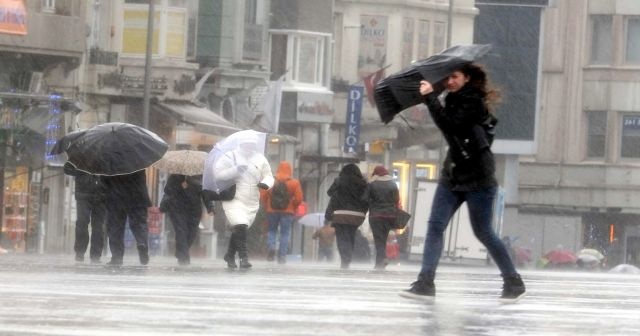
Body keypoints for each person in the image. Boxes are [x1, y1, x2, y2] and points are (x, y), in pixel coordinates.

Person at [400, 63, 526, 303]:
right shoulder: (452, 99)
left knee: (484, 233)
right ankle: (425, 282)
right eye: (447, 78)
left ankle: (513, 281)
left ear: (467, 78)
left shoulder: (473, 102)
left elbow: (451, 127)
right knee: (435, 225)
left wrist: (430, 99)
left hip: (478, 178)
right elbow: (450, 130)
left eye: (455, 77)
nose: (450, 82)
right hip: (453, 174)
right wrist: (432, 99)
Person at [214, 134, 274, 269]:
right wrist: (235, 170)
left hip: (252, 201)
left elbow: (269, 175)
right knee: (240, 225)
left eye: (251, 144)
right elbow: (218, 174)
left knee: (241, 229)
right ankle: (243, 257)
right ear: (240, 144)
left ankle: (229, 255)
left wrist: (265, 184)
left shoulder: (260, 158)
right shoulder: (230, 156)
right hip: (234, 199)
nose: (249, 147)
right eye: (246, 144)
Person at [160, 174, 214, 266]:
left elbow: (206, 193)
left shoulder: (201, 178)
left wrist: (210, 207)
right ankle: (184, 258)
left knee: (191, 234)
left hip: (194, 211)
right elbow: (168, 191)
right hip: (177, 209)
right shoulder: (174, 176)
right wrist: (180, 186)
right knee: (181, 232)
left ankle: (180, 252)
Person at [102, 170, 152, 266]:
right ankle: (142, 243)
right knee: (139, 224)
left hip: (116, 197)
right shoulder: (138, 159)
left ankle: (117, 257)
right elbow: (142, 179)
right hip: (137, 196)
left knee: (115, 227)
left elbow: (104, 180)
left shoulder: (112, 160)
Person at [325, 163, 369, 269]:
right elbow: (366, 200)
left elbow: (330, 193)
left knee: (341, 238)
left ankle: (345, 258)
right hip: (355, 216)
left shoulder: (339, 180)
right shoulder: (363, 183)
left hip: (340, 214)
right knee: (351, 236)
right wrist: (363, 212)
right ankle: (348, 257)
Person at [260, 161, 303, 264]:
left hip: (272, 210)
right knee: (285, 233)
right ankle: (282, 256)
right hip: (288, 212)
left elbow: (263, 195)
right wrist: (293, 206)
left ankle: (271, 247)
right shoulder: (294, 183)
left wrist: (268, 206)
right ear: (290, 170)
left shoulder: (271, 181)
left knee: (272, 231)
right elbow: (299, 198)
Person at [63, 162, 106, 263]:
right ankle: (80, 252)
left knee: (98, 226)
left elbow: (114, 172)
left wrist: (102, 174)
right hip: (83, 195)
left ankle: (95, 255)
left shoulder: (106, 154)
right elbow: (67, 168)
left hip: (101, 195)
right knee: (82, 223)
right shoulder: (80, 152)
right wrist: (81, 171)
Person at [366, 165, 400, 269]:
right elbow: (396, 200)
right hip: (389, 216)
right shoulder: (393, 184)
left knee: (378, 239)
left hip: (376, 216)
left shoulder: (372, 184)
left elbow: (365, 199)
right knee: (383, 239)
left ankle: (383, 258)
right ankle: (378, 264)